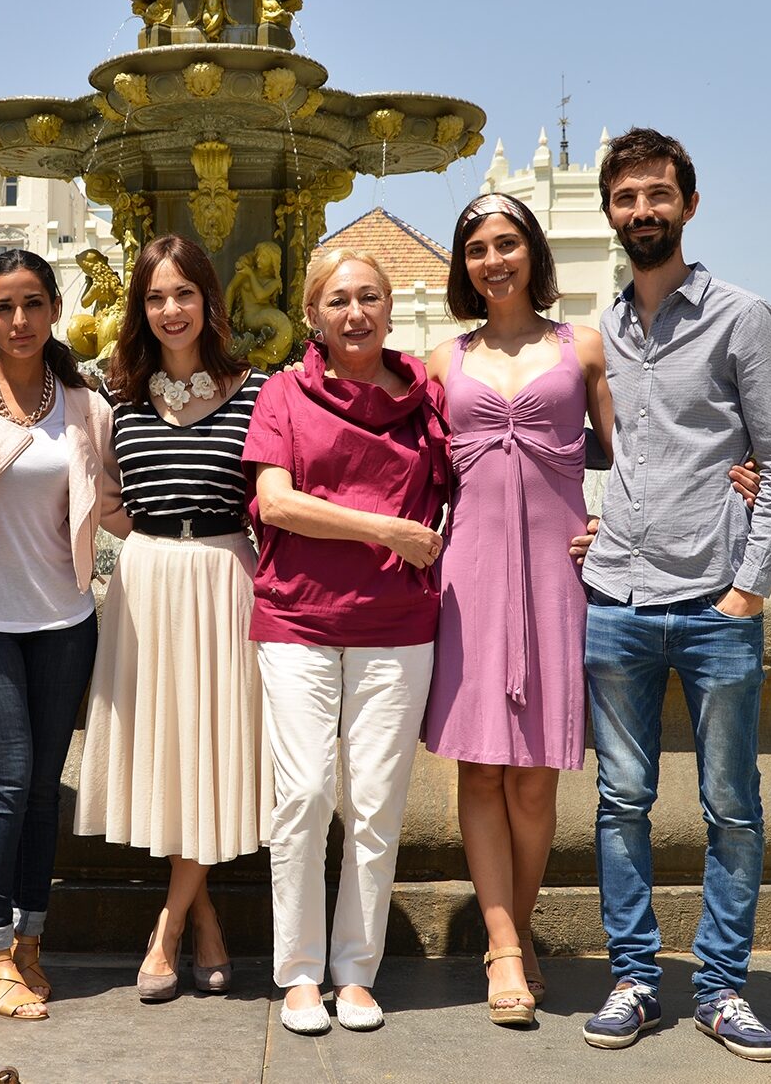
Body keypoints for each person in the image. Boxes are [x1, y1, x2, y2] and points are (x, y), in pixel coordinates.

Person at [574, 128, 771, 1062]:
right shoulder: (605, 328)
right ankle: (634, 977)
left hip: (714, 604)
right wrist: (594, 525)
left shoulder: (743, 317)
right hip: (616, 598)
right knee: (620, 801)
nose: (642, 211)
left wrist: (746, 592)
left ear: (688, 205)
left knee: (731, 807)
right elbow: (602, 452)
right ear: (611, 212)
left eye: (657, 195)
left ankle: (719, 988)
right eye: (626, 198)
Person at [244, 249, 448, 1035]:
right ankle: (297, 973)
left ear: (390, 309)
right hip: (298, 616)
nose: (355, 311)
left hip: (398, 624)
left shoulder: (427, 399)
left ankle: (355, 972)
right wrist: (383, 527)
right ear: (313, 316)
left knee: (376, 800)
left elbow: (499, 466)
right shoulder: (282, 393)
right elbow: (277, 502)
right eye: (338, 300)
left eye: (369, 297)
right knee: (303, 793)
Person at [0, 249, 127, 1021]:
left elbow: (110, 505)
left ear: (54, 310)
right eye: (4, 306)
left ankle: (29, 940)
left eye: (32, 304)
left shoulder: (84, 404)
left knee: (43, 789)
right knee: (6, 778)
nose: (18, 320)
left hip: (64, 620)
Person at [421, 193, 609, 1028]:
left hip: (558, 570)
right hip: (468, 573)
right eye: (476, 249)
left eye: (506, 244)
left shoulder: (586, 347)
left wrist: (617, 523)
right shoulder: (438, 358)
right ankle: (503, 945)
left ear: (531, 251)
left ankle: (519, 925)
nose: (493, 259)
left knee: (535, 779)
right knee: (481, 767)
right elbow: (401, 464)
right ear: (463, 266)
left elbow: (641, 455)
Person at [74, 234, 268, 1003]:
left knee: (213, 749)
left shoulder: (256, 390)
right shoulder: (117, 397)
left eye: (183, 293)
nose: (171, 309)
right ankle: (207, 921)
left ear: (207, 300)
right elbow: (103, 497)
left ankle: (168, 930)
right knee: (170, 752)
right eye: (155, 297)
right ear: (141, 308)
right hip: (149, 581)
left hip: (226, 577)